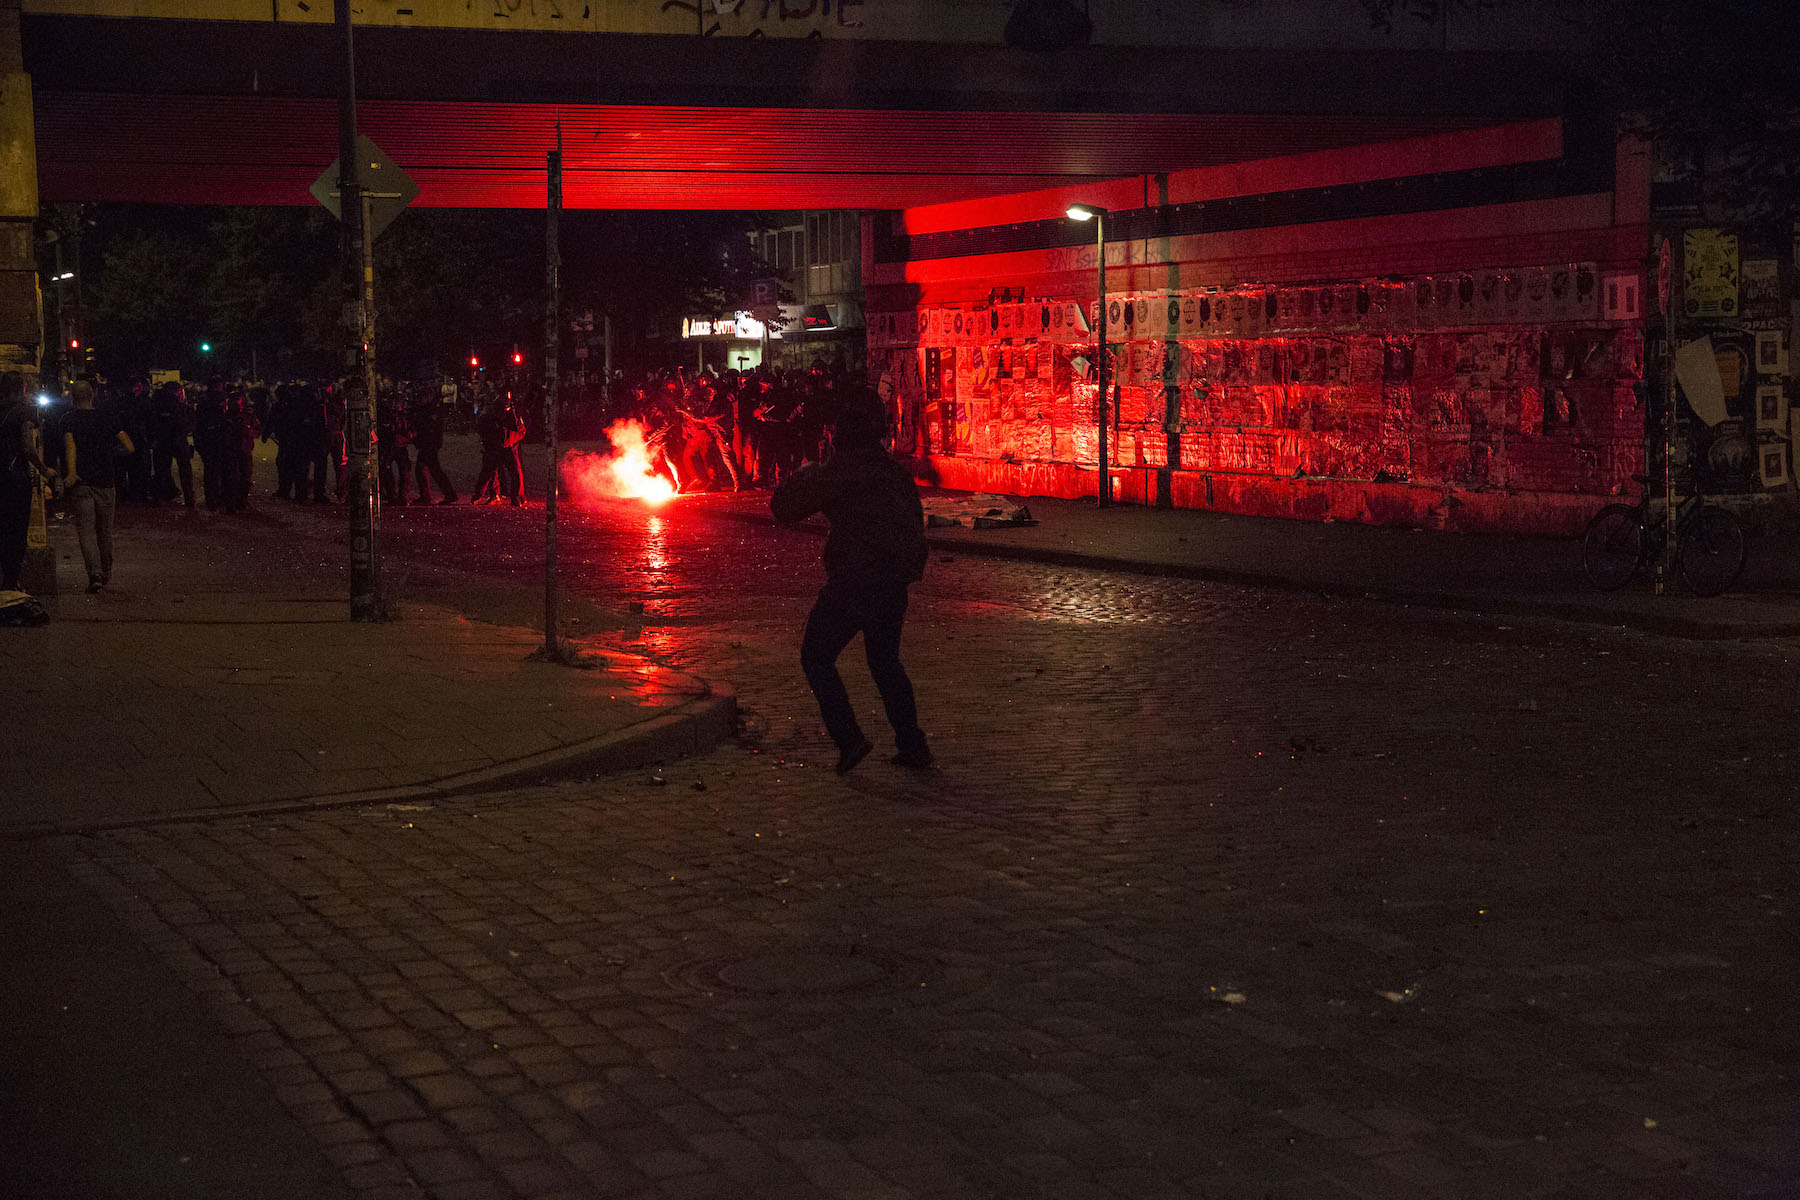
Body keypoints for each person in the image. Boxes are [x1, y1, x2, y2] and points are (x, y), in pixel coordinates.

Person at [771, 395, 932, 774]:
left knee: (816, 656)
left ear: (839, 438)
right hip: (893, 580)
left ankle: (849, 739)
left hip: (855, 580)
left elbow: (784, 508)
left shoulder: (841, 471)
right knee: (885, 661)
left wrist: (806, 472)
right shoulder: (893, 472)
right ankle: (913, 745)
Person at [60, 379, 133, 593]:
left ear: (72, 397)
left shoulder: (68, 420)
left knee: (86, 531)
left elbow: (70, 446)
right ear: (92, 395)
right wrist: (111, 454)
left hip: (82, 483)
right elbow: (129, 446)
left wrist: (72, 472)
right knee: (104, 531)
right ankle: (106, 569)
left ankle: (94, 574)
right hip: (106, 481)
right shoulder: (108, 417)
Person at [0, 372, 55, 593]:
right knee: (16, 530)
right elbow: (26, 446)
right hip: (15, 480)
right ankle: (11, 583)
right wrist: (44, 470)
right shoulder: (24, 411)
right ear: (22, 389)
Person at [150, 381, 196, 507]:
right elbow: (189, 423)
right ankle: (188, 498)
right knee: (184, 471)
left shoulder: (157, 405)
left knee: (162, 471)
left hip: (163, 441)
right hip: (177, 441)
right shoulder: (179, 406)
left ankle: (160, 497)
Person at [409, 387, 457, 504]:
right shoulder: (429, 409)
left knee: (429, 469)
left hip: (429, 443)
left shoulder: (432, 410)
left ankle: (438, 495)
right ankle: (443, 494)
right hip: (429, 443)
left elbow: (430, 427)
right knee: (429, 469)